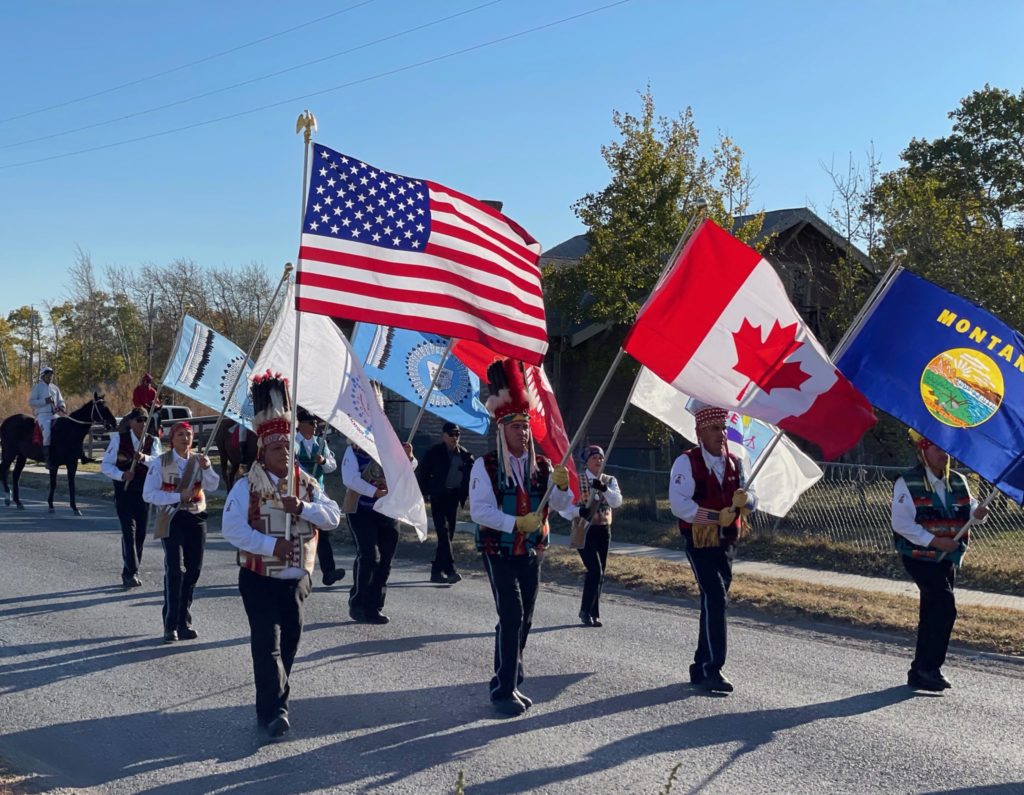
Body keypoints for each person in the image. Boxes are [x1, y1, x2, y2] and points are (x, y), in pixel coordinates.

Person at [222, 373, 342, 740]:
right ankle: (277, 710)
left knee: (288, 644)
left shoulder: (308, 484)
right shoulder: (247, 486)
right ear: (263, 452)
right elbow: (232, 530)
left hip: (296, 582)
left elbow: (333, 518)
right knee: (267, 644)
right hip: (259, 579)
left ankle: (269, 704)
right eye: (278, 449)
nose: (286, 454)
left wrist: (303, 507)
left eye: (288, 448)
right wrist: (269, 545)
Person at [469, 359, 573, 716]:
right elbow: (479, 511)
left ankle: (511, 677)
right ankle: (503, 689)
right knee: (511, 615)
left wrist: (561, 488)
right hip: (498, 550)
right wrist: (516, 523)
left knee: (525, 617)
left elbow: (560, 505)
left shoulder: (541, 466)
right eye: (516, 427)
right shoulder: (486, 465)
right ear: (502, 430)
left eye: (526, 427)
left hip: (532, 551)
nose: (523, 433)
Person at [669, 401, 758, 694]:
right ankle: (713, 668)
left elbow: (751, 494)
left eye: (723, 428)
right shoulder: (687, 462)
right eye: (714, 429)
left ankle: (700, 664)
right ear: (700, 432)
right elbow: (679, 504)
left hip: (727, 542)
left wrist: (748, 503)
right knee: (716, 598)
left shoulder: (735, 461)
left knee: (713, 602)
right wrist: (713, 515)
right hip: (699, 540)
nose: (721, 434)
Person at [891, 430, 987, 692]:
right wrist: (935, 541)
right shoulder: (907, 482)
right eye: (937, 449)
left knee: (933, 610)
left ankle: (920, 670)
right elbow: (901, 524)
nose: (943, 455)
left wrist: (979, 514)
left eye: (946, 450)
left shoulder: (958, 481)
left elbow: (971, 511)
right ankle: (929, 668)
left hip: (948, 557)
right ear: (923, 451)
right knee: (944, 607)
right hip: (920, 556)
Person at [143, 421, 219, 643]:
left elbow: (213, 485)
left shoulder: (198, 460)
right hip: (171, 519)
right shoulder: (161, 462)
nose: (185, 439)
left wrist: (207, 468)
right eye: (180, 435)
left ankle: (183, 620)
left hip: (196, 519)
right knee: (175, 570)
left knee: (193, 570)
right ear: (172, 438)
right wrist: (177, 497)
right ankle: (171, 624)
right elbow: (148, 494)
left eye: (188, 434)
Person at [342, 435, 417, 624]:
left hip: (388, 509)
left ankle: (374, 606)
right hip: (361, 510)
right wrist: (374, 492)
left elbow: (407, 470)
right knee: (369, 555)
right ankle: (358, 604)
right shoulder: (354, 450)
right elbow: (349, 479)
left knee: (385, 559)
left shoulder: (390, 447)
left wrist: (409, 457)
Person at [559, 444, 622, 627]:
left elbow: (616, 501)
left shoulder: (609, 480)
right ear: (586, 461)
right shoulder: (576, 480)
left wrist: (604, 489)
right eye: (594, 458)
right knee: (595, 570)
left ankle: (593, 612)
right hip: (584, 530)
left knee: (599, 573)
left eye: (601, 458)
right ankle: (585, 611)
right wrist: (578, 512)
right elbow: (564, 508)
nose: (598, 461)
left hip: (603, 530)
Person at [101, 407, 161, 589]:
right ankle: (132, 572)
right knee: (129, 531)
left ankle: (131, 569)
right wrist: (121, 475)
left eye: (145, 420)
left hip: (144, 491)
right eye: (140, 420)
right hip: (124, 491)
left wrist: (143, 458)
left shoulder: (153, 441)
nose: (143, 423)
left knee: (141, 533)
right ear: (131, 422)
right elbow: (106, 465)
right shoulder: (119, 439)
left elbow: (159, 463)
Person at [417, 421, 474, 584]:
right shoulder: (435, 453)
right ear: (444, 436)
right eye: (451, 434)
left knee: (448, 535)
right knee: (443, 532)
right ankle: (450, 570)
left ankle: (436, 572)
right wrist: (425, 492)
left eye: (458, 434)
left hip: (453, 498)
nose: (455, 438)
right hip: (438, 496)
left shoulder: (465, 455)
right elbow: (423, 473)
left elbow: (472, 476)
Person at [294, 407, 345, 586]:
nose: (315, 426)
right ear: (300, 424)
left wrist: (323, 461)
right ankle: (297, 569)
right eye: (311, 423)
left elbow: (332, 465)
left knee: (323, 533)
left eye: (316, 423)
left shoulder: (321, 443)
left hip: (317, 493)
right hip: (298, 492)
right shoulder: (293, 443)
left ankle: (329, 571)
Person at [28, 366, 66, 467]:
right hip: (42, 416)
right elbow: (31, 402)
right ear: (43, 376)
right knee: (47, 432)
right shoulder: (37, 387)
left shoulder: (55, 388)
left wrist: (62, 406)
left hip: (55, 415)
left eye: (51, 376)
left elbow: (61, 400)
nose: (50, 377)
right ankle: (48, 460)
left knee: (66, 428)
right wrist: (45, 401)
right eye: (48, 376)